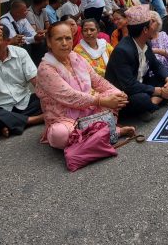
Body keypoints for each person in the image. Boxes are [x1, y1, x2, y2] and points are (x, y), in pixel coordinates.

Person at [37, 21, 133, 150]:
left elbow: (98, 81)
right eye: (59, 39)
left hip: (89, 110)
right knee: (60, 134)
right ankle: (109, 131)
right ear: (49, 42)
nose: (64, 43)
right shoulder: (45, 69)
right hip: (64, 118)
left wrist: (119, 93)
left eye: (68, 38)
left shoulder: (76, 58)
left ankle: (91, 137)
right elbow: (69, 96)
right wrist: (100, 100)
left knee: (115, 95)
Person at [104, 5, 168, 121]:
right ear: (145, 30)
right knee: (142, 99)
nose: (154, 27)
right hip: (124, 93)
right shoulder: (122, 51)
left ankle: (153, 102)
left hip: (141, 83)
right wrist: (159, 91)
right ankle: (154, 103)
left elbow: (156, 65)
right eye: (151, 24)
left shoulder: (146, 43)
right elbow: (129, 85)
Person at [0, 23, 44, 138]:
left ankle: (10, 124)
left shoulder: (20, 53)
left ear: (7, 41)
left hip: (23, 103)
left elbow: (35, 80)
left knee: (45, 99)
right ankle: (36, 119)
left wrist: (48, 97)